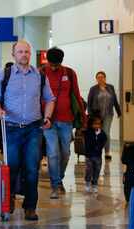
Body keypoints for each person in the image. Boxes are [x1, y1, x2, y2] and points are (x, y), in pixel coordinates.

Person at [0, 40, 56, 221]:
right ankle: (9, 200)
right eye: (20, 52)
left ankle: (30, 206)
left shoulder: (39, 76)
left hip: (33, 129)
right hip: (11, 128)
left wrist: (48, 117)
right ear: (13, 54)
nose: (24, 55)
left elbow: (50, 99)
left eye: (27, 52)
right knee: (12, 167)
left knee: (32, 168)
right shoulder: (4, 75)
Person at [42, 47, 87, 199]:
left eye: (57, 64)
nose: (54, 67)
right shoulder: (41, 73)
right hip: (48, 121)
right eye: (52, 64)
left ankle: (58, 178)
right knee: (53, 153)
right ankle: (55, 185)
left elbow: (77, 94)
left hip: (66, 120)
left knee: (66, 153)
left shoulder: (69, 73)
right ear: (47, 61)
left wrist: (83, 118)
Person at [87, 71, 121, 160]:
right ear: (96, 79)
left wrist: (119, 111)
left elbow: (115, 101)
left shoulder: (110, 87)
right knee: (96, 133)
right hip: (96, 115)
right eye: (98, 77)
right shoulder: (93, 89)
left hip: (108, 114)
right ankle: (96, 150)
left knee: (106, 132)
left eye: (102, 77)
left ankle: (107, 152)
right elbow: (89, 102)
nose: (100, 79)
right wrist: (90, 114)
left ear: (105, 78)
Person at [84, 114, 107, 193]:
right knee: (89, 169)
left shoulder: (102, 134)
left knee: (97, 170)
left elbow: (104, 141)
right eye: (95, 124)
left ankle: (94, 183)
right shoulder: (88, 132)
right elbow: (87, 142)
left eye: (98, 124)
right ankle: (87, 182)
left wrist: (99, 146)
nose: (97, 126)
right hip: (89, 155)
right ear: (91, 124)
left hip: (98, 156)